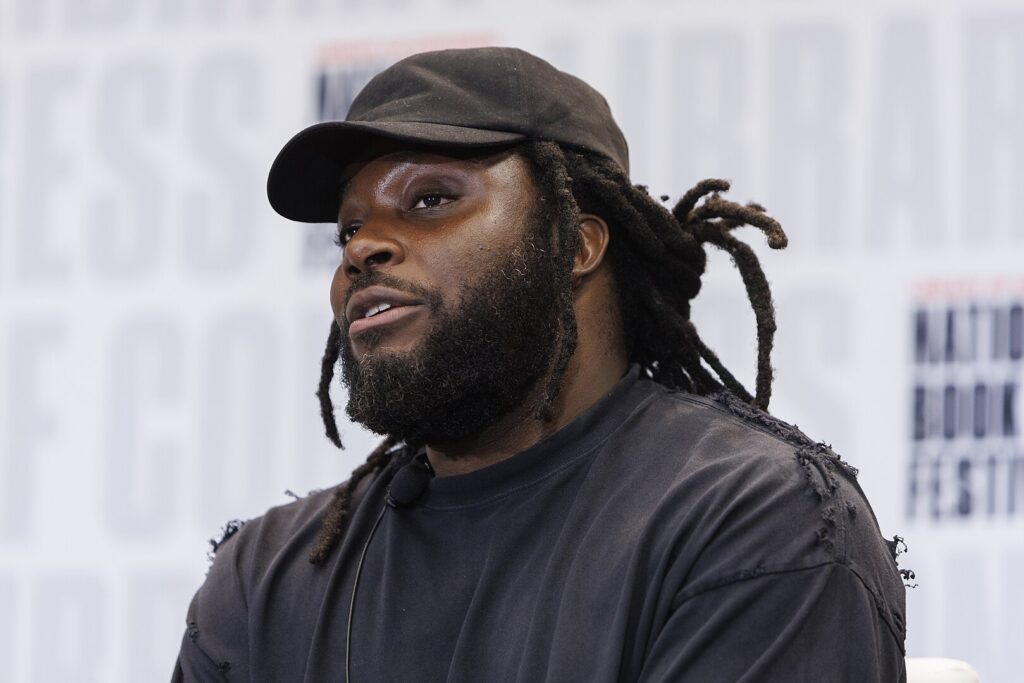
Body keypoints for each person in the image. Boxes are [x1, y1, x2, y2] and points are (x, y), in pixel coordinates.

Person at [173, 47, 907, 682]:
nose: (362, 249)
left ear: (576, 245)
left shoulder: (754, 517)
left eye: (429, 199)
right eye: (350, 229)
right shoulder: (266, 578)